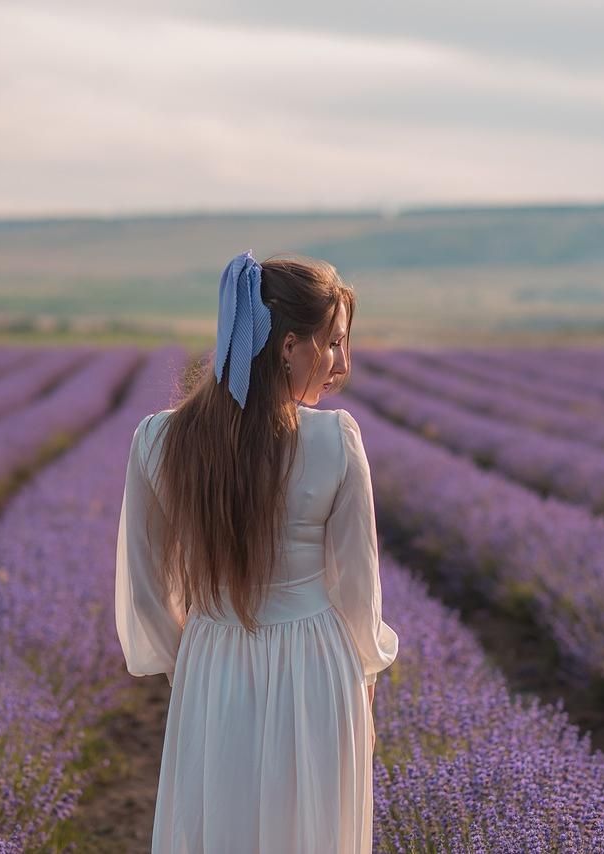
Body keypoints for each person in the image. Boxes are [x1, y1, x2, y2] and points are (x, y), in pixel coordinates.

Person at [115, 249, 399, 853]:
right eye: (333, 344)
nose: (342, 364)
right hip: (318, 664)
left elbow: (146, 592)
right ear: (289, 345)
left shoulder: (157, 439)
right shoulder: (337, 439)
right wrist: (364, 684)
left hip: (213, 661)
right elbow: (358, 589)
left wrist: (192, 668)